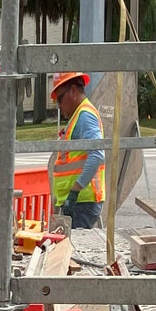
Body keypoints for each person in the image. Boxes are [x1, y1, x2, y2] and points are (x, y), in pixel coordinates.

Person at [50, 71, 105, 230]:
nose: (59, 106)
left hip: (81, 201)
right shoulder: (79, 116)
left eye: (60, 99)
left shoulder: (85, 116)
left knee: (71, 250)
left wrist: (74, 191)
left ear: (73, 91)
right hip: (78, 201)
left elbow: (97, 154)